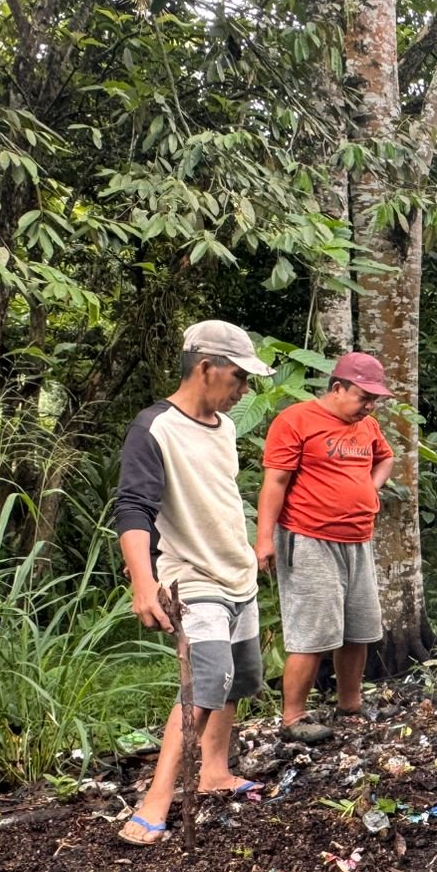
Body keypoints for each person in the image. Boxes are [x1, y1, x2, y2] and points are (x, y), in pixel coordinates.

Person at [112, 320, 274, 845]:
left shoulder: (225, 428)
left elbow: (220, 497)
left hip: (237, 573)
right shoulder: (154, 428)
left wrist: (247, 548)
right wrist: (144, 582)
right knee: (207, 681)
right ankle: (154, 801)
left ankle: (215, 771)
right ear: (205, 368)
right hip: (191, 576)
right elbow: (134, 508)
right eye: (238, 378)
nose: (243, 390)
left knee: (239, 680)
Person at [255, 353, 395, 742]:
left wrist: (370, 488)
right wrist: (264, 539)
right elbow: (276, 482)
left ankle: (350, 705)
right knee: (313, 630)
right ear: (338, 388)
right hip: (309, 537)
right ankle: (293, 717)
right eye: (363, 397)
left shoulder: (367, 425)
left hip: (358, 539)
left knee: (359, 628)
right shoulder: (296, 420)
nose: (369, 406)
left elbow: (385, 459)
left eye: (374, 400)